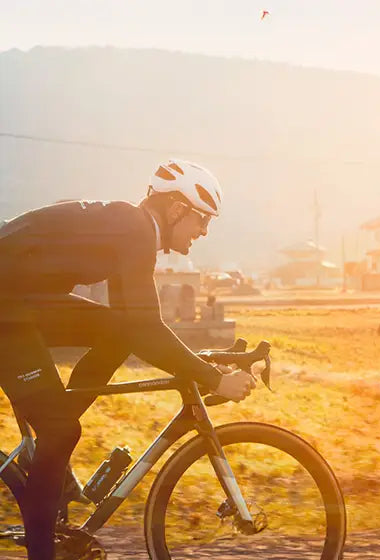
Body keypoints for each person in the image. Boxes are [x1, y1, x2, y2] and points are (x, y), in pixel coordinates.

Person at [0, 159, 256, 560]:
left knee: (114, 332)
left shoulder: (130, 228)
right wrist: (213, 378)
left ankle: (55, 439)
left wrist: (202, 366)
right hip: (8, 310)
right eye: (203, 218)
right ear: (177, 209)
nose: (205, 230)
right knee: (61, 431)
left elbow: (133, 326)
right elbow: (147, 328)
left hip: (21, 300)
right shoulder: (135, 230)